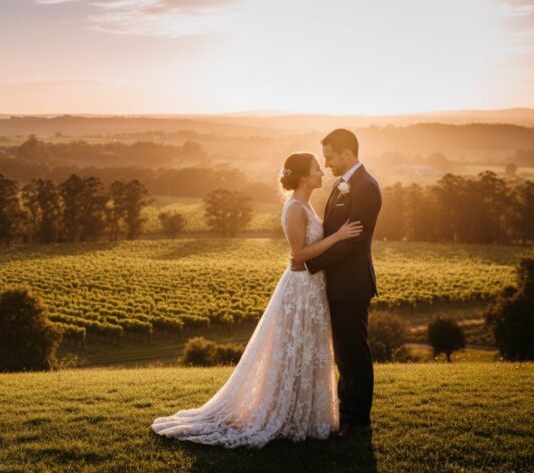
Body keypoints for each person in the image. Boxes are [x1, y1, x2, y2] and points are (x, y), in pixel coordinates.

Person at [151, 152, 363, 448]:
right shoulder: (294, 208)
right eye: (317, 168)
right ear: (304, 177)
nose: (322, 171)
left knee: (307, 348)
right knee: (292, 348)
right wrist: (338, 237)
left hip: (313, 287)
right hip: (300, 289)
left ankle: (306, 416)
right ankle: (283, 413)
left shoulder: (306, 204)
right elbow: (300, 253)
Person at [291, 128, 382, 438]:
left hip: (352, 285)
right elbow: (333, 234)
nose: (326, 163)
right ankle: (345, 413)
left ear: (347, 153)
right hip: (336, 284)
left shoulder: (366, 187)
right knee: (343, 354)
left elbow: (353, 243)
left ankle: (360, 421)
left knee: (355, 354)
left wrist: (310, 263)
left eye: (329, 157)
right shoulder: (342, 184)